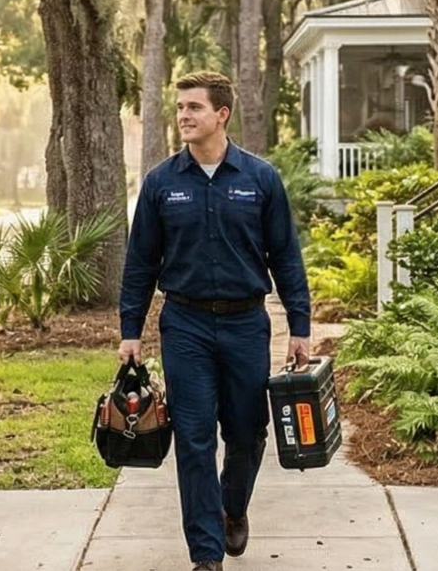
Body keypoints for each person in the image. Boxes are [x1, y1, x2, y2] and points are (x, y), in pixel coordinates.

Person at [118, 71, 312, 571]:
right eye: (180, 107)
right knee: (196, 437)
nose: (183, 115)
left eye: (194, 108)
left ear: (221, 114)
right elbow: (141, 262)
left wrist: (300, 326)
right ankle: (206, 555)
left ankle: (233, 508)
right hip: (185, 325)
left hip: (248, 324)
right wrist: (130, 332)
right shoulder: (162, 182)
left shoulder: (260, 178)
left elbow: (286, 257)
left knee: (247, 433)